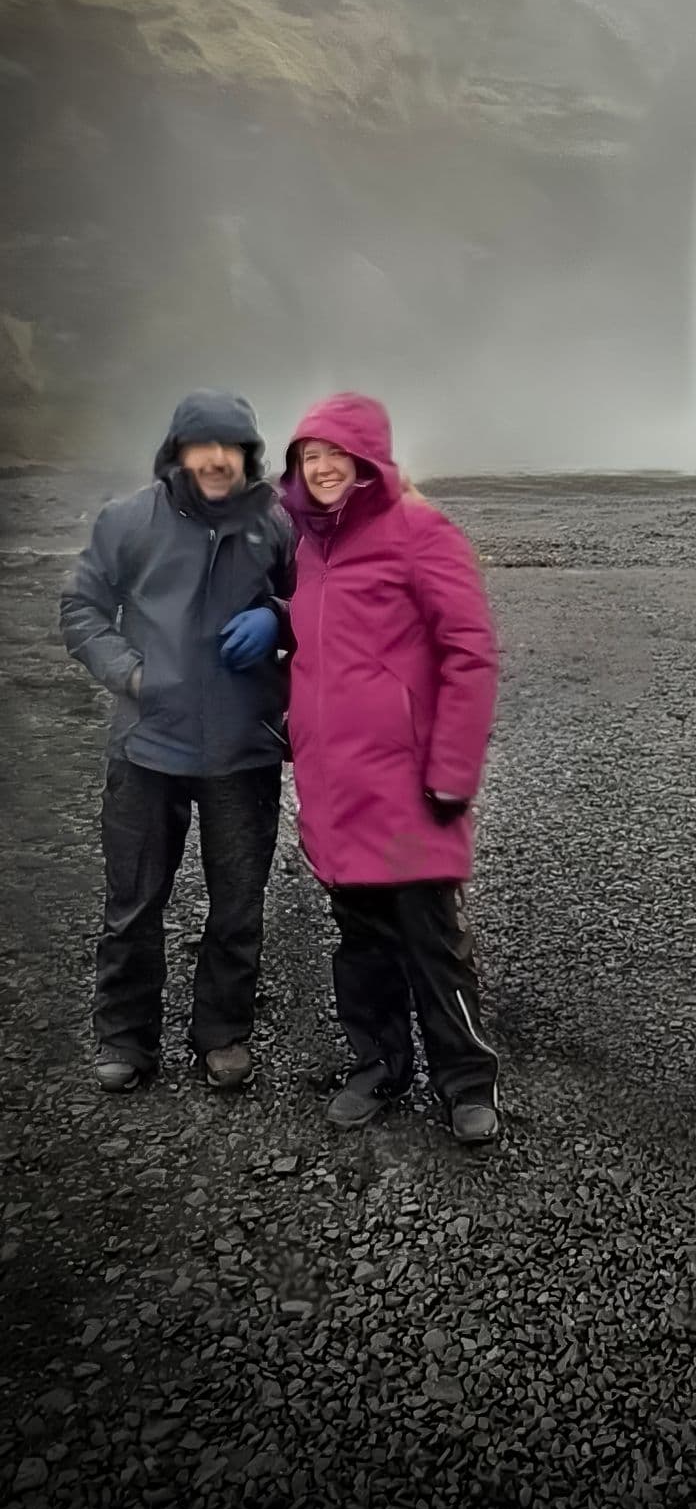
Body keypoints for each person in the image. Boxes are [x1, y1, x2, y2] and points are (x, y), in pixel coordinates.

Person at [278, 392, 501, 1142]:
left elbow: (470, 653)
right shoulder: (311, 547)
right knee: (361, 944)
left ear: (367, 458)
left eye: (335, 454)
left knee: (433, 945)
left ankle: (467, 1083)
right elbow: (322, 649)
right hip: (336, 789)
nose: (323, 468)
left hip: (410, 788)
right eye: (310, 458)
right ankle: (378, 1065)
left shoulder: (420, 532)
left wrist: (452, 773)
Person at [60, 391, 293, 1093]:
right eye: (203, 444)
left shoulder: (276, 525)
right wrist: (129, 674)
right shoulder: (129, 520)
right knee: (132, 900)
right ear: (178, 451)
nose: (218, 458)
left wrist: (279, 620)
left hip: (241, 746)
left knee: (237, 902)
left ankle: (222, 1034)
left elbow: (318, 601)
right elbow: (82, 606)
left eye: (232, 445)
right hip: (146, 746)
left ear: (249, 455)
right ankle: (126, 1039)